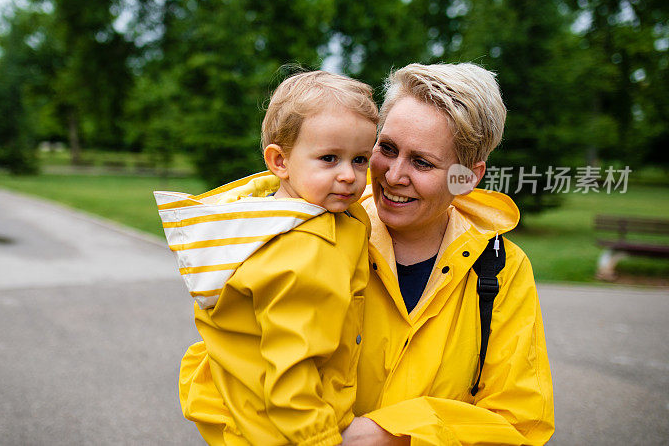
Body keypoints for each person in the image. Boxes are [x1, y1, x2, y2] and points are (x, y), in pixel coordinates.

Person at [178, 63, 555, 446]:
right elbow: (214, 379)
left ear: (467, 177)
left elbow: (521, 422)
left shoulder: (502, 268)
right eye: (386, 149)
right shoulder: (304, 235)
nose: (393, 176)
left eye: (422, 162)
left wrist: (395, 434)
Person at [156, 71, 379, 445]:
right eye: (329, 158)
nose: (350, 176)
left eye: (360, 159)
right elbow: (291, 369)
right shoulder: (302, 249)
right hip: (284, 431)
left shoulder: (273, 217)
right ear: (279, 161)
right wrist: (321, 439)